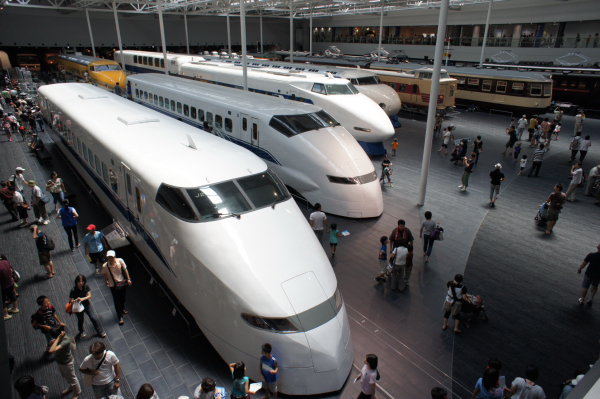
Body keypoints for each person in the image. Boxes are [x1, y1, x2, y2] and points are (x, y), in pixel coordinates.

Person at [49, 328, 81, 399]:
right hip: (60, 361)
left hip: (67, 362)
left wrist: (57, 339)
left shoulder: (66, 340)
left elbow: (51, 350)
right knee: (66, 376)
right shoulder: (60, 337)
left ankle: (77, 393)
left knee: (72, 378)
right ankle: (72, 387)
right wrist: (55, 341)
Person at [102, 250, 131, 325]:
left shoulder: (120, 261)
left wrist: (128, 279)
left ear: (114, 257)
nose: (110, 259)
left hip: (121, 282)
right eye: (108, 258)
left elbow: (125, 269)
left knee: (123, 297)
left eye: (111, 257)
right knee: (116, 300)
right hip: (113, 285)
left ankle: (122, 308)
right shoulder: (105, 266)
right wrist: (106, 281)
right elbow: (105, 274)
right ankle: (119, 316)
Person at [0, 255, 18, 320]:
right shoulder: (5, 262)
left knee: (2, 300)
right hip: (11, 282)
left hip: (3, 286)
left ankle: (6, 315)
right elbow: (11, 270)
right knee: (12, 295)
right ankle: (15, 308)